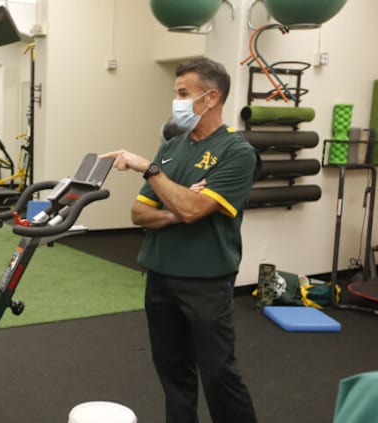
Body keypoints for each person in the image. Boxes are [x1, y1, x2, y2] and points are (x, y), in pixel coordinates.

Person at [100, 58, 259, 423]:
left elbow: (193, 210)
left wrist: (152, 172)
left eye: (184, 93)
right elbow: (140, 214)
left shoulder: (237, 152)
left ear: (211, 97)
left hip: (205, 280)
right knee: (173, 375)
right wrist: (177, 205)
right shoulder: (173, 146)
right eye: (177, 94)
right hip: (160, 276)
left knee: (219, 374)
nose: (178, 102)